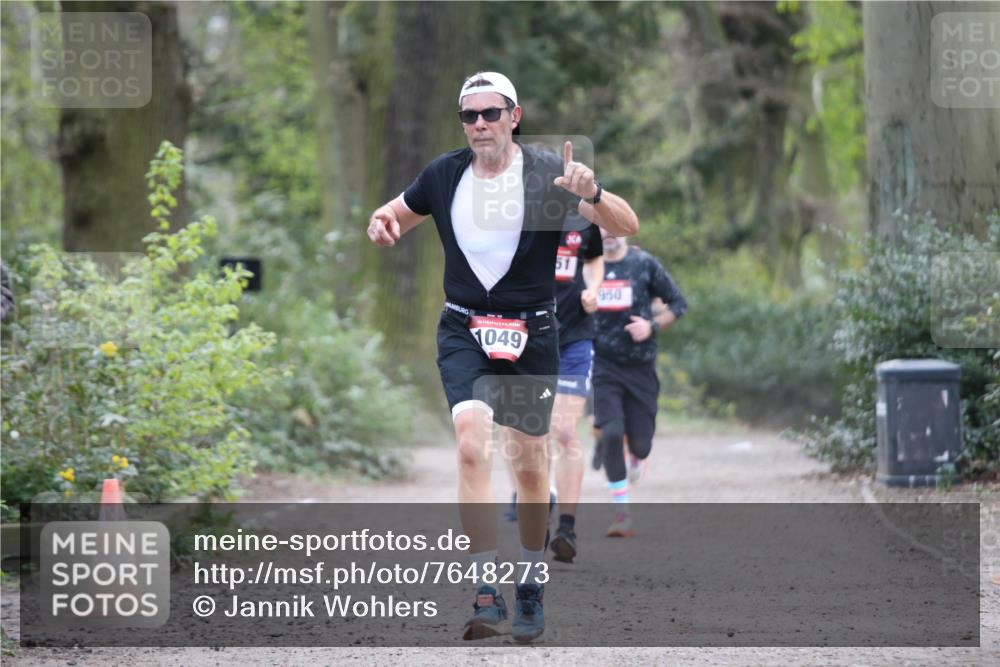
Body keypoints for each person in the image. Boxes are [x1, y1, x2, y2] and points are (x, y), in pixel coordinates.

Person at [366, 72, 638, 643]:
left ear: (515, 116)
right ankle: (485, 587)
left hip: (531, 330)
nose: (480, 124)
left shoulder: (550, 173)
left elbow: (625, 225)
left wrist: (591, 193)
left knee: (530, 464)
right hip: (463, 328)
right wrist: (382, 223)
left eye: (491, 113)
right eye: (469, 115)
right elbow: (395, 214)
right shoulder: (444, 174)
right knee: (471, 446)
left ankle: (531, 582)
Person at [592, 229, 687, 538]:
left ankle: (636, 456)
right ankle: (622, 514)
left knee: (642, 446)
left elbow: (678, 303)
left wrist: (652, 325)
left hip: (641, 367)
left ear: (625, 230)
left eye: (613, 226)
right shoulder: (588, 266)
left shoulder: (644, 263)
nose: (608, 233)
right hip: (603, 365)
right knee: (611, 433)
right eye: (601, 227)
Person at [548, 215, 603, 563]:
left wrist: (593, 289)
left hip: (574, 339)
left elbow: (594, 258)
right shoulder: (514, 214)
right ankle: (536, 512)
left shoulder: (582, 219)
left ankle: (566, 528)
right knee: (530, 434)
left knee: (565, 430)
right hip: (526, 338)